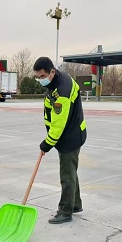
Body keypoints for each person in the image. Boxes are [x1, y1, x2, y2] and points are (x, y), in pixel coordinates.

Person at [33, 57, 87, 224]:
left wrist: (47, 144)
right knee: (70, 171)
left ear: (52, 72)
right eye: (37, 77)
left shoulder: (62, 91)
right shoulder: (57, 81)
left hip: (70, 136)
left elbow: (58, 124)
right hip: (69, 133)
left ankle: (65, 211)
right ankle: (75, 204)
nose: (40, 80)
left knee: (67, 175)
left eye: (42, 76)